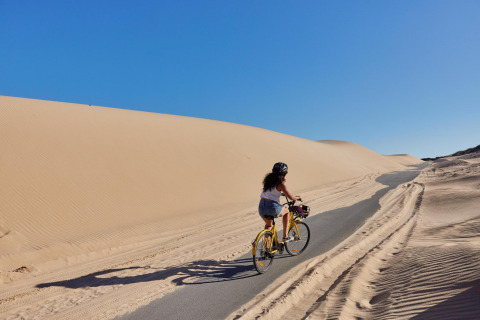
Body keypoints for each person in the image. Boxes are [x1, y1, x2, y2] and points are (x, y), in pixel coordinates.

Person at [259, 162, 301, 243]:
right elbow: (290, 197)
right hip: (271, 207)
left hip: (261, 206)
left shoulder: (268, 182)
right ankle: (285, 236)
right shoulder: (281, 184)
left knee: (268, 225)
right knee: (287, 211)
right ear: (284, 173)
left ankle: (266, 247)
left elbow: (271, 193)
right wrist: (297, 198)